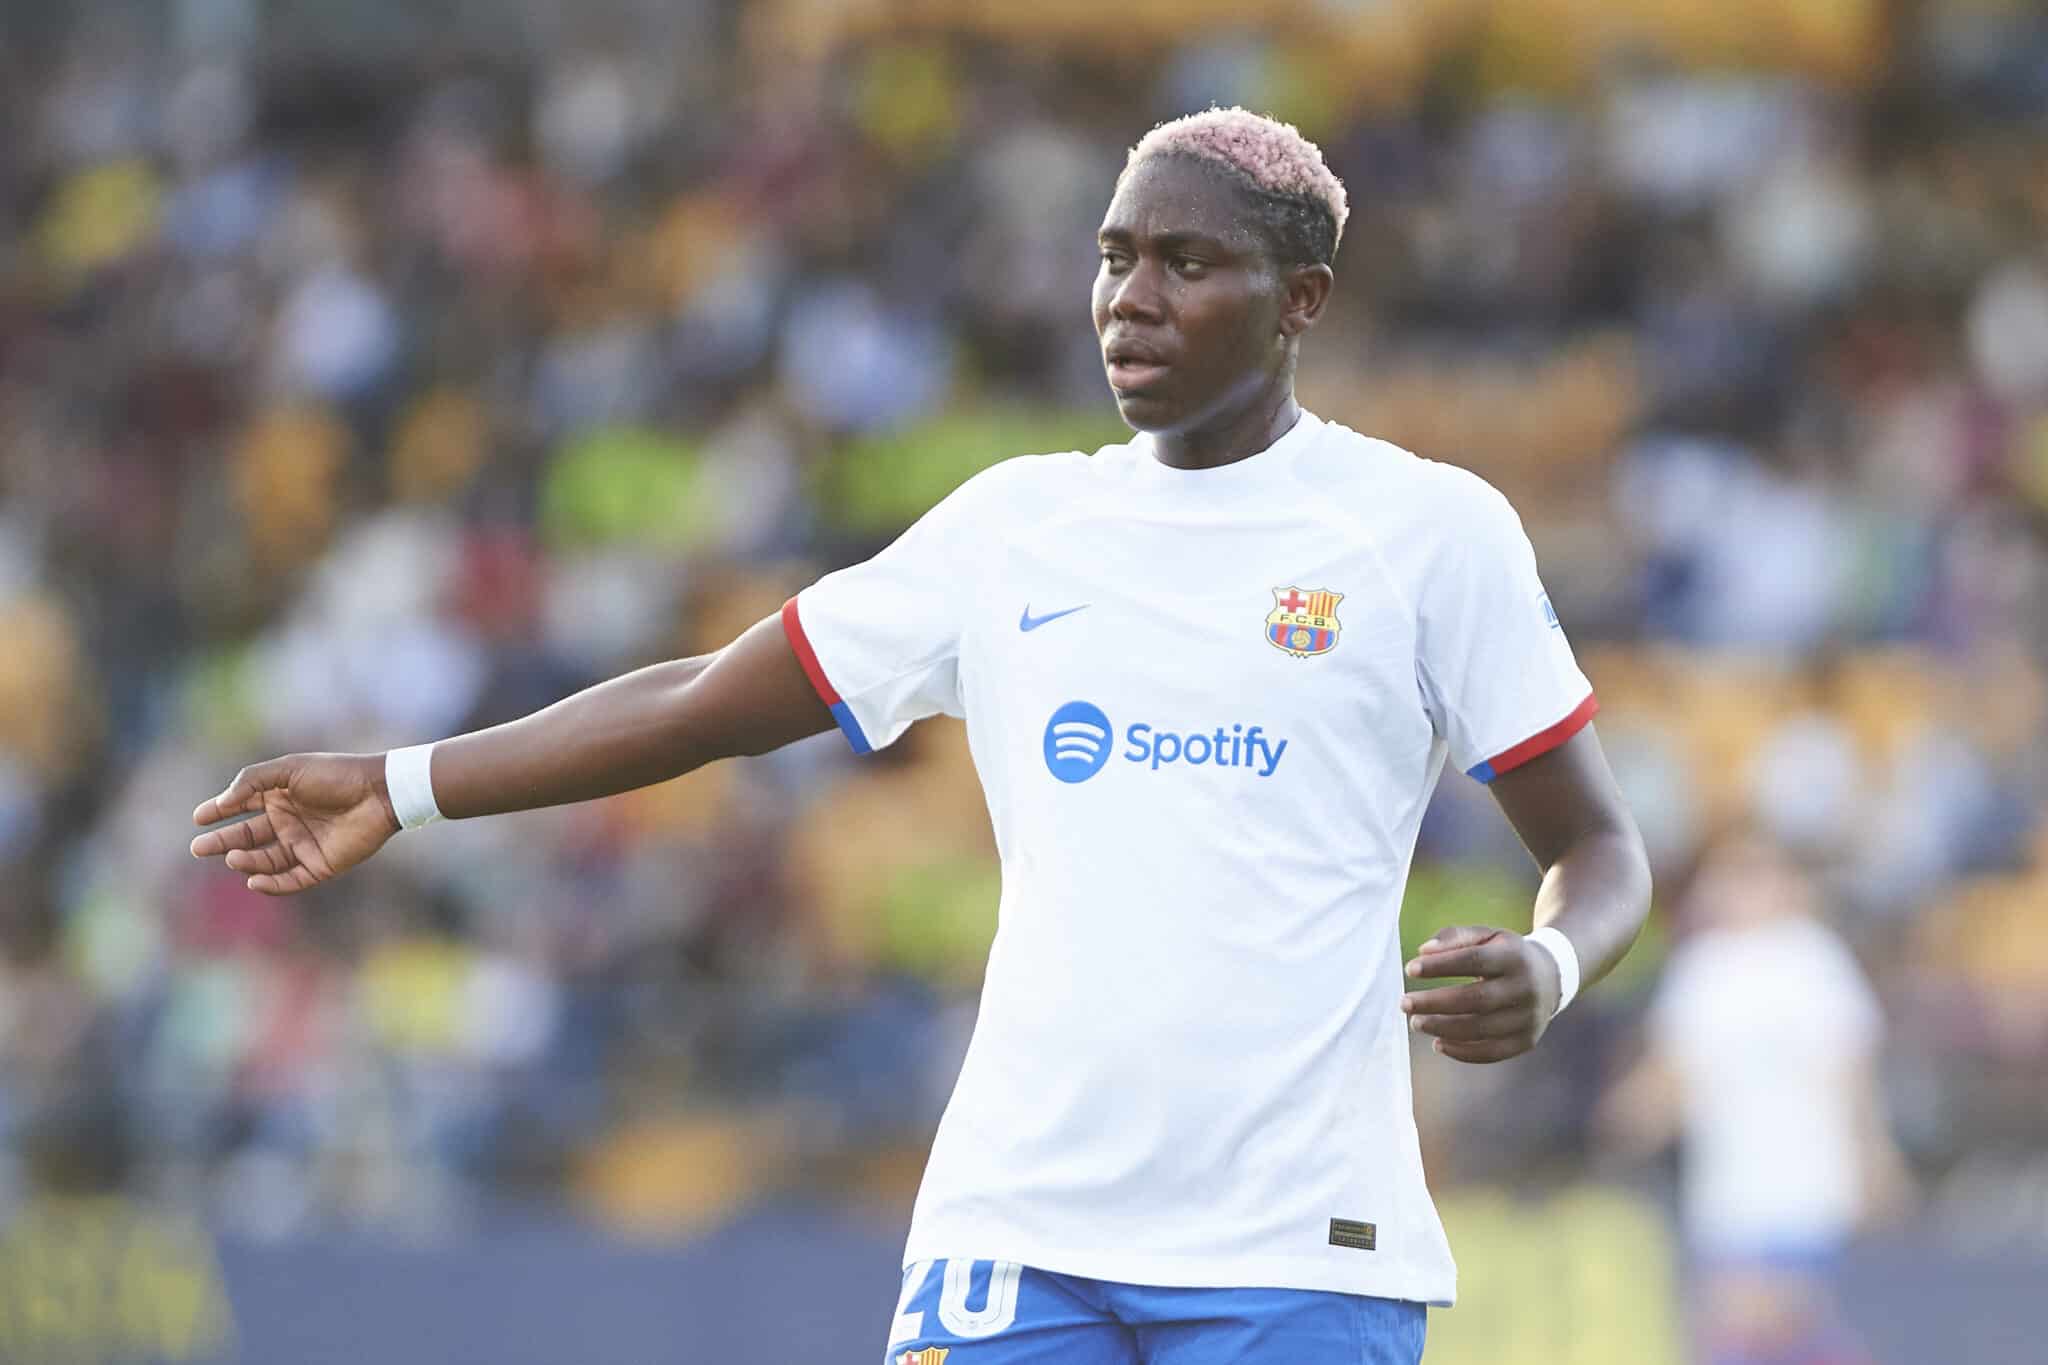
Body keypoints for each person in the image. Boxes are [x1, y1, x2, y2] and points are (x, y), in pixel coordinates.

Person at [192, 108, 1652, 1365]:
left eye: (1186, 263)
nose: (1130, 299)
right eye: (1114, 257)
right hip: (1016, 1229)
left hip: (1299, 1249)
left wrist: (1550, 965)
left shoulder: (1427, 535)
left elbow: (1597, 846)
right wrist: (403, 785)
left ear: (1301, 301)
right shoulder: (1016, 528)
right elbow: (704, 703)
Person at [1597, 834, 1908, 1365]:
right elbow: (1675, 1073)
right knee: (1749, 1327)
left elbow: (1850, 1073)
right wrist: (1628, 1119)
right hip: (1728, 1185)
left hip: (1805, 1182)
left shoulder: (1814, 961)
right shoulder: (1703, 967)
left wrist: (1873, 1159)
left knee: (1764, 1317)